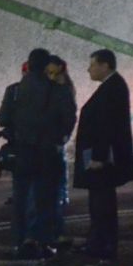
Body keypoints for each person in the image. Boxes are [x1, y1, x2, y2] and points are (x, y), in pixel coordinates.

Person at [3, 48, 73, 257]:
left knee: (21, 196)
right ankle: (43, 241)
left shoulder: (14, 90)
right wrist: (59, 136)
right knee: (46, 198)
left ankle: (20, 241)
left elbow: (1, 119)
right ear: (45, 67)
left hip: (22, 151)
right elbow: (69, 118)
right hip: (47, 152)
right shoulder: (58, 91)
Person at [74, 49, 133, 261]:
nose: (88, 69)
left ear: (105, 65)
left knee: (102, 202)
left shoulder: (112, 88)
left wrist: (99, 156)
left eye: (92, 64)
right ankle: (98, 241)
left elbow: (107, 125)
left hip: (103, 158)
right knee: (99, 201)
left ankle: (102, 244)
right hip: (102, 155)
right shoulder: (112, 86)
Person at [46, 55, 77, 243]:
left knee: (56, 190)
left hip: (55, 145)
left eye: (53, 72)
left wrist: (61, 138)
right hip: (54, 144)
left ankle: (55, 231)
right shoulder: (59, 90)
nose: (50, 76)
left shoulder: (62, 91)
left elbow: (69, 119)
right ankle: (54, 230)